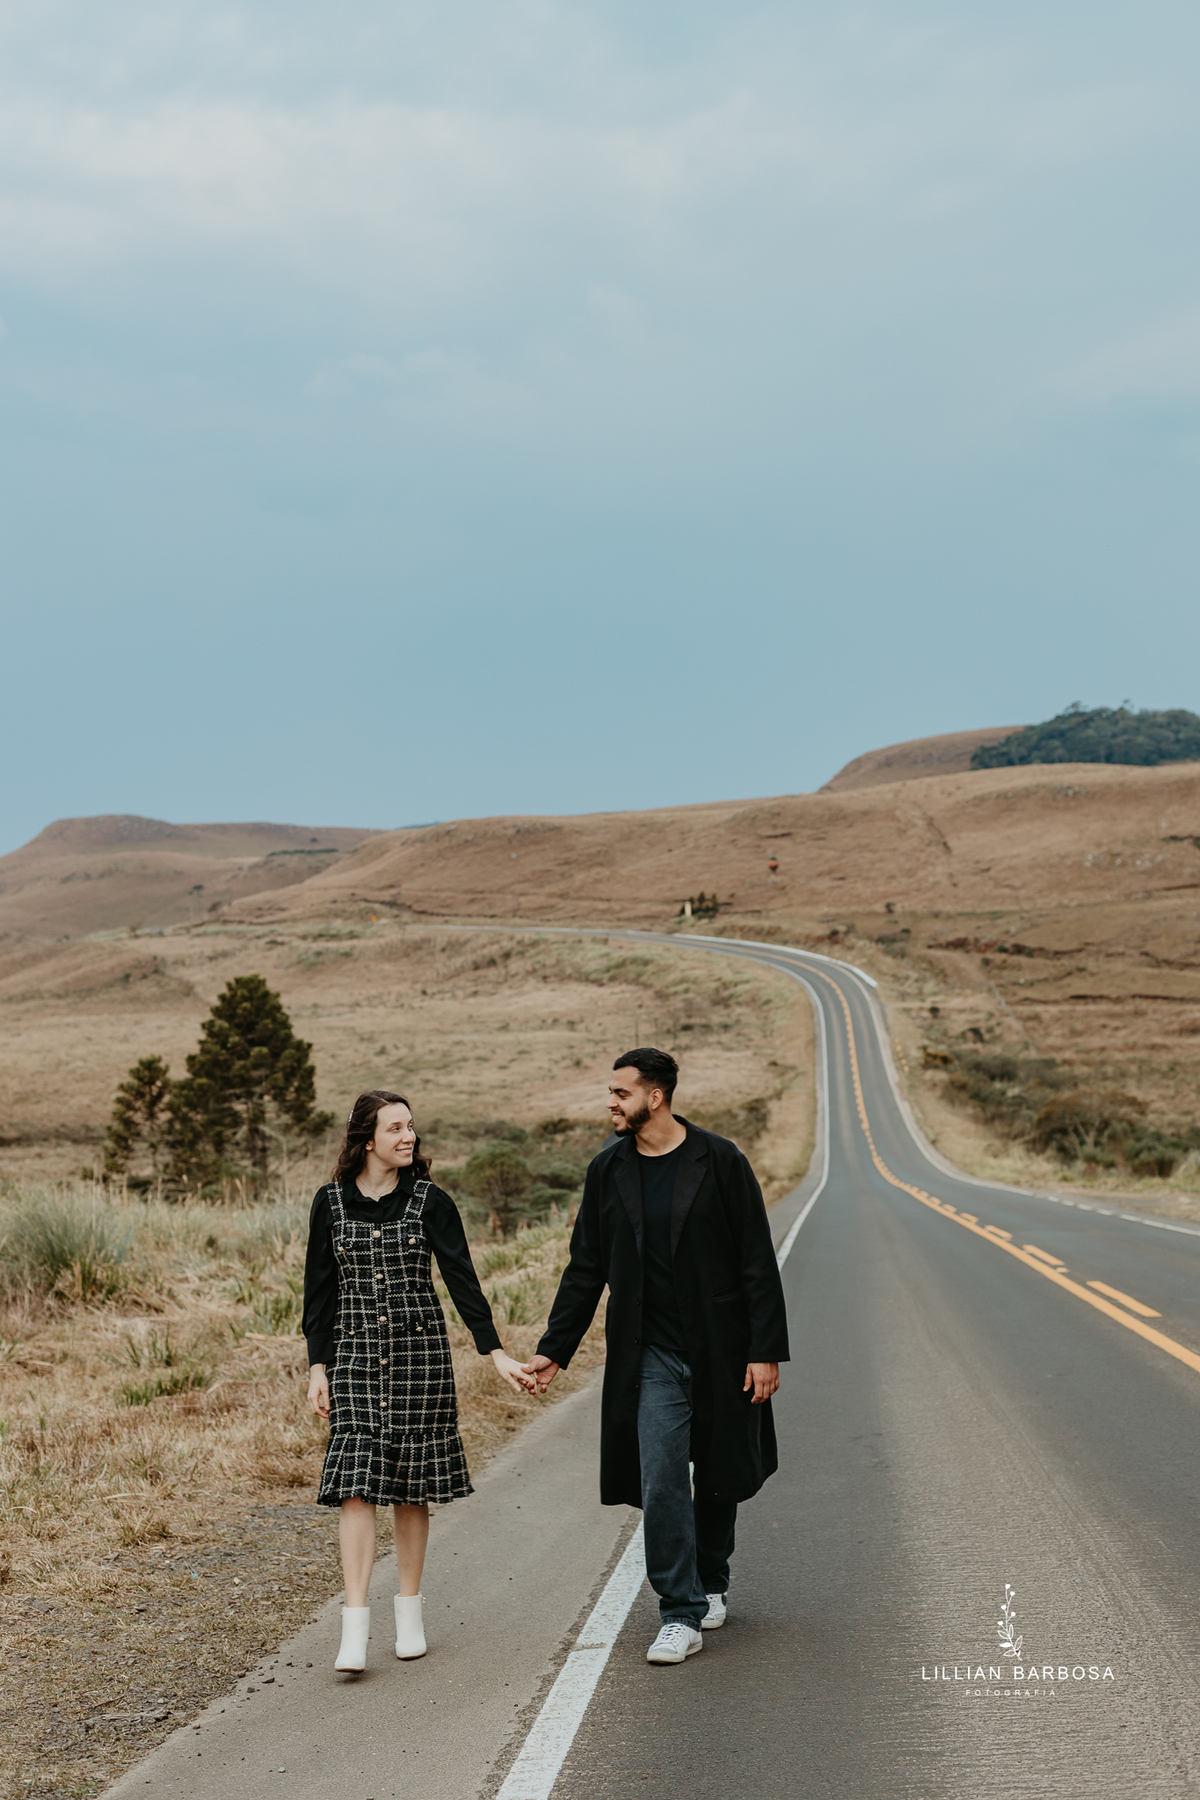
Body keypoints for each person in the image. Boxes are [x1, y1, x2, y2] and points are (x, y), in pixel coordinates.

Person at [524, 1048, 789, 1665]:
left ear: (656, 1096)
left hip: (722, 1349)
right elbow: (585, 1266)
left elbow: (756, 1258)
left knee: (720, 1474)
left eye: (621, 1092)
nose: (610, 1103)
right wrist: (554, 1351)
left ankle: (710, 1578)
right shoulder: (608, 1169)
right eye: (610, 1093)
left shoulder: (719, 1161)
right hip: (649, 1353)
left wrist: (765, 1350)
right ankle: (679, 1611)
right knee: (663, 1476)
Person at [304, 1089, 534, 1672]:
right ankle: (353, 1627)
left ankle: (409, 1609)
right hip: (353, 1355)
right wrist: (317, 1366)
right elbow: (319, 1293)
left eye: (411, 1127)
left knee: (410, 1483)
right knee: (354, 1481)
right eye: (396, 1128)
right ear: (366, 1139)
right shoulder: (328, 1204)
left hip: (419, 1354)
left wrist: (495, 1352)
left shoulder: (432, 1201)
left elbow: (463, 1281)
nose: (409, 1137)